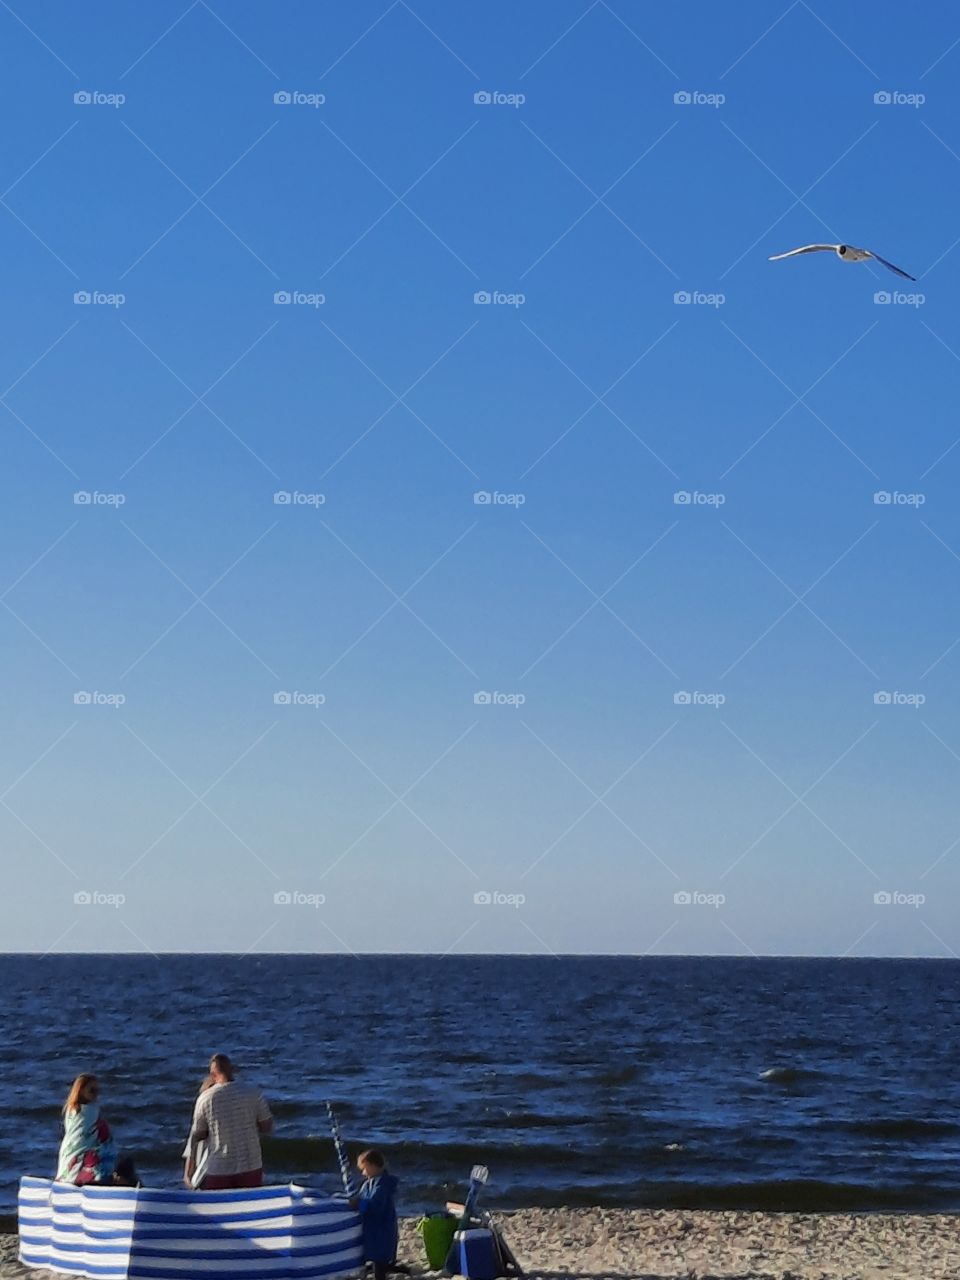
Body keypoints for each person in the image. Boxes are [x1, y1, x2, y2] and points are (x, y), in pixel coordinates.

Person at [185, 1054, 272, 1189]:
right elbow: (266, 1127)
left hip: (219, 1168)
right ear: (232, 1069)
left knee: (219, 1207)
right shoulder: (254, 1093)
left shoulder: (205, 1098)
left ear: (212, 1074)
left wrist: (188, 1173)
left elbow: (198, 1135)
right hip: (250, 1164)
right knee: (250, 1206)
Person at [56, 1074, 117, 1185]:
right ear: (80, 1090)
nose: (96, 1095)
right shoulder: (84, 1111)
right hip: (80, 1156)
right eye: (92, 1090)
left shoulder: (74, 1110)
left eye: (98, 1091)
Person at [351, 1149, 399, 1280]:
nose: (363, 1172)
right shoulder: (368, 1184)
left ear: (373, 1166)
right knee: (373, 1257)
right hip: (372, 1228)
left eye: (364, 1168)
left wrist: (359, 1205)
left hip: (382, 1228)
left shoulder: (382, 1184)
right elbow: (362, 1197)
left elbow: (375, 1205)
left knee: (380, 1260)